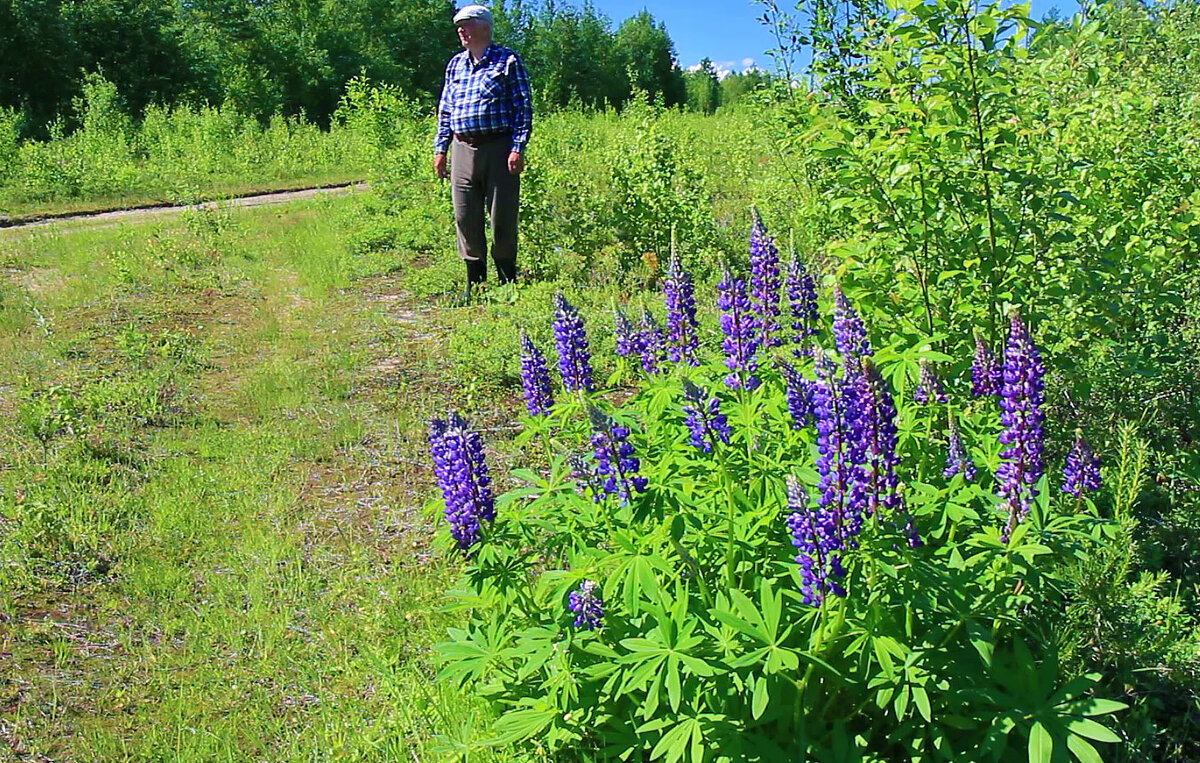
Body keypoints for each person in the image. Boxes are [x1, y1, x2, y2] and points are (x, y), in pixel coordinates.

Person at [433, 4, 533, 299]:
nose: (461, 30)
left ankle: (507, 281)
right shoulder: (455, 65)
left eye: (467, 24)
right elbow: (446, 110)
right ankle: (475, 284)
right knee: (465, 216)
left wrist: (517, 147)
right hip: (462, 148)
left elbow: (523, 107)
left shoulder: (507, 60)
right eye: (459, 26)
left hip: (499, 147)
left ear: (485, 27)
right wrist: (441, 149)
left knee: (502, 217)